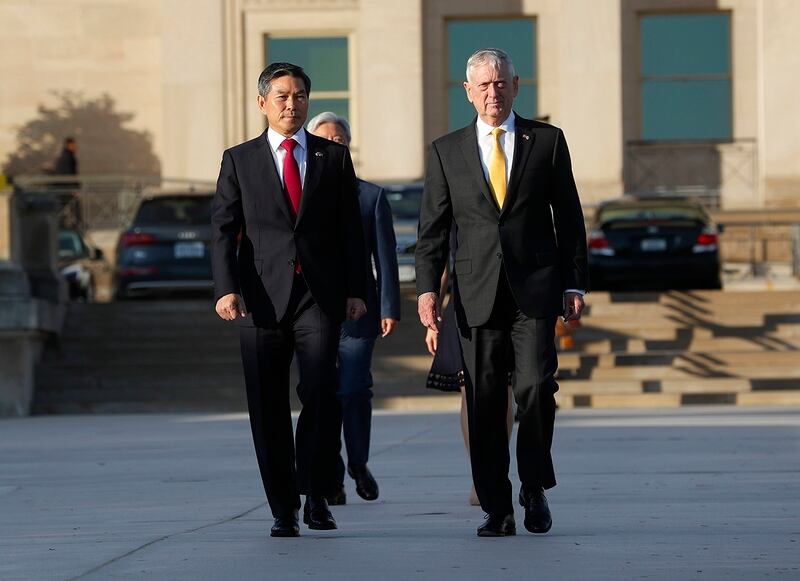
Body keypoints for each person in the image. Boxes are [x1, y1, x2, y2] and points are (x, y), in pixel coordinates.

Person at [415, 48, 588, 537]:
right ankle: (497, 505)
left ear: (516, 86)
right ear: (467, 92)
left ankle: (533, 488)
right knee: (486, 400)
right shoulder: (446, 150)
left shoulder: (547, 142)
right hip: (475, 294)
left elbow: (570, 217)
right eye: (483, 85)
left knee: (534, 390)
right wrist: (427, 291)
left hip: (534, 290)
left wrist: (574, 279)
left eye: (500, 83)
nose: (493, 93)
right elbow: (433, 230)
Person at [211, 62, 368, 538]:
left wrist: (359, 290)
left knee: (321, 393)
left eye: (299, 95)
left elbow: (350, 230)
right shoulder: (239, 160)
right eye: (281, 96)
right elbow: (222, 229)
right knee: (267, 405)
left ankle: (317, 495)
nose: (291, 103)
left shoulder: (332, 157)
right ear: (262, 103)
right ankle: (283, 507)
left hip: (317, 297)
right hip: (258, 301)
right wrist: (225, 288)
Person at [307, 111, 401, 504]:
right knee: (320, 393)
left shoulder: (371, 196)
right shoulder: (301, 196)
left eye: (340, 140)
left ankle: (357, 462)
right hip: (311, 313)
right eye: (326, 141)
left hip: (358, 316)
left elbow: (386, 255)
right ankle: (331, 476)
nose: (334, 147)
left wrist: (390, 306)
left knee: (353, 389)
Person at [424, 228, 514, 507]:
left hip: (510, 299)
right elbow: (440, 262)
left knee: (505, 387)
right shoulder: (453, 194)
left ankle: (496, 470)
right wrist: (432, 314)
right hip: (462, 303)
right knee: (469, 389)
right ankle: (479, 475)